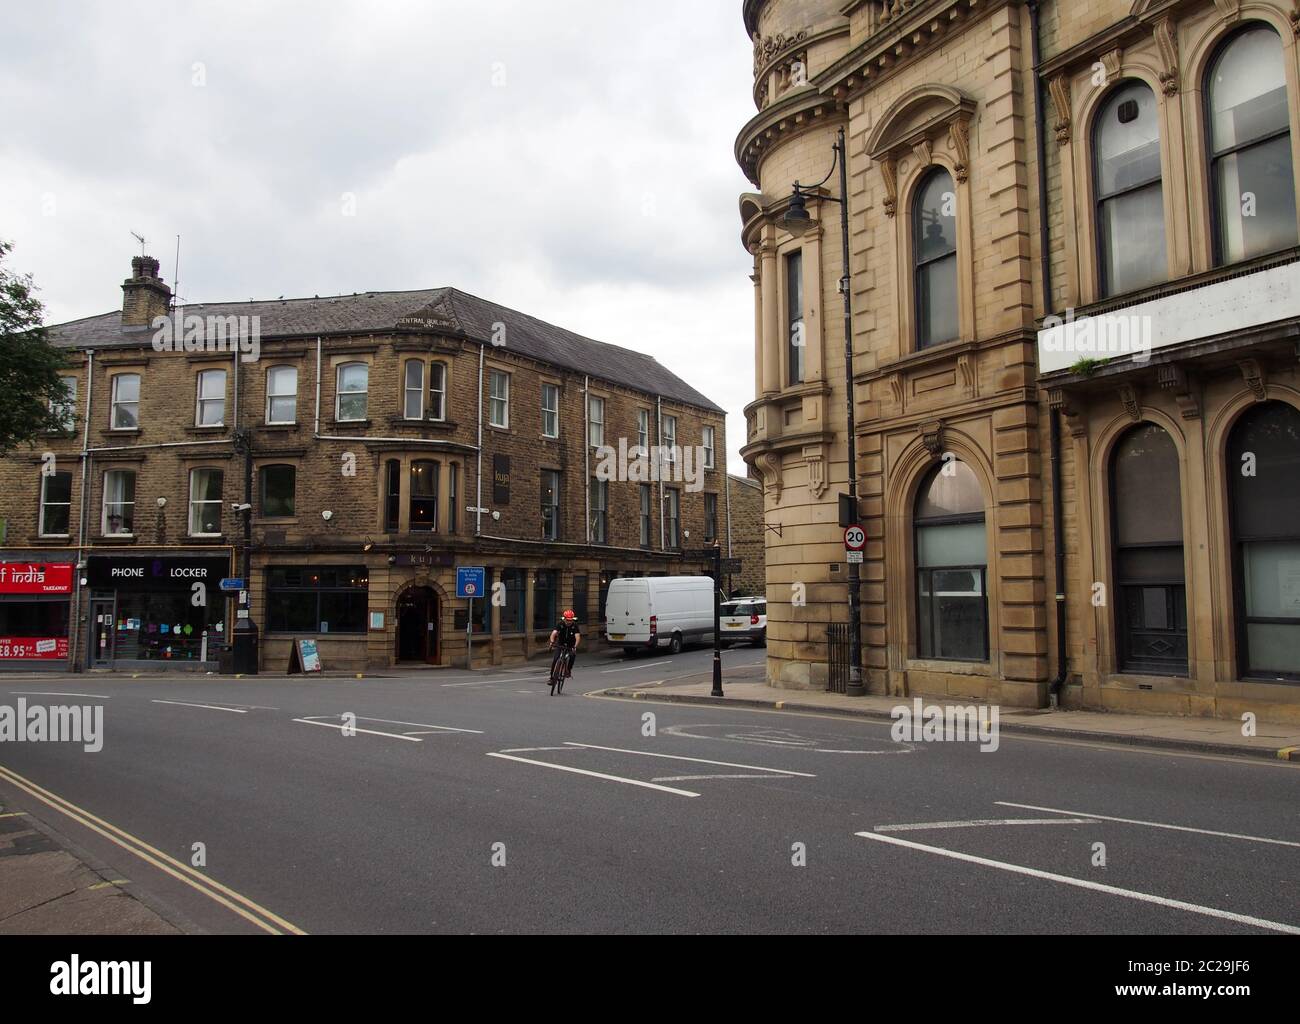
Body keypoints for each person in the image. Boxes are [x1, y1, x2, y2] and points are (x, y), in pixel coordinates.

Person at [548, 610, 581, 685]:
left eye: (570, 620)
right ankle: (551, 678)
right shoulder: (560, 624)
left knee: (572, 655)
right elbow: (553, 633)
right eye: (567, 620)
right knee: (555, 659)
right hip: (560, 644)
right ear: (564, 618)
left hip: (570, 645)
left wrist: (575, 646)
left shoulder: (575, 626)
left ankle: (568, 670)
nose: (569, 622)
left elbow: (577, 637)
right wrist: (552, 642)